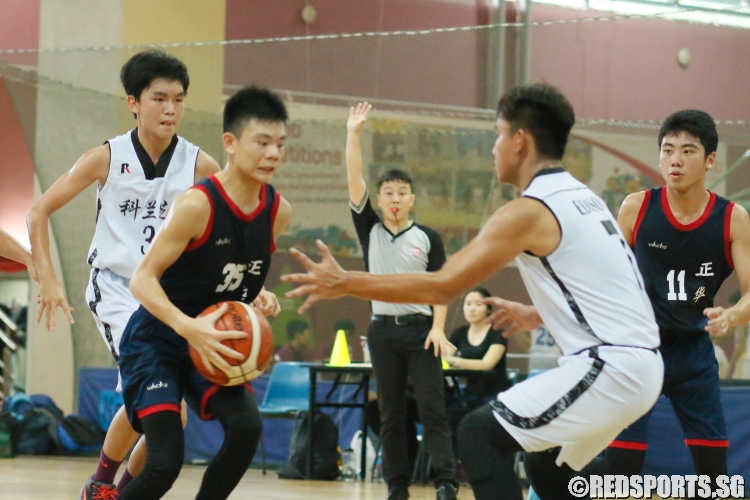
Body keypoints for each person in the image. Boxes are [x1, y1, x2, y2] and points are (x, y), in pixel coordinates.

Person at [281, 83, 664, 500]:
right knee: (545, 460)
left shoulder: (529, 209)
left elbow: (444, 285)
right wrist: (538, 314)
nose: (493, 148)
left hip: (612, 368)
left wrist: (346, 282)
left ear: (520, 141)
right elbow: (612, 287)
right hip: (637, 365)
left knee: (479, 435)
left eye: (498, 135)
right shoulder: (583, 197)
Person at [26, 48, 240, 499]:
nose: (170, 109)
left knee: (168, 414)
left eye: (179, 100)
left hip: (168, 296)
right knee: (160, 407)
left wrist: (249, 292)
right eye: (159, 98)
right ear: (133, 103)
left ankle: (109, 488)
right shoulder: (105, 157)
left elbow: (231, 234)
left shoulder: (201, 166)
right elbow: (38, 211)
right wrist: (48, 277)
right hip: (118, 290)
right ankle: (104, 484)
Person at [117, 85, 291, 500]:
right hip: (157, 341)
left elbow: (223, 271)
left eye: (280, 144)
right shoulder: (198, 204)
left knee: (247, 427)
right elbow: (143, 280)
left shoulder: (277, 210)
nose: (273, 154)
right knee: (164, 464)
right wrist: (188, 328)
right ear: (230, 143)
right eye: (262, 143)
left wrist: (254, 295)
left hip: (210, 341)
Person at [602, 110, 750, 484]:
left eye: (688, 151)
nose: (676, 160)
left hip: (693, 353)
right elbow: (606, 278)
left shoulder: (733, 217)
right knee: (621, 471)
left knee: (714, 476)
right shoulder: (636, 208)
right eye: (668, 150)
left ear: (711, 160)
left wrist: (731, 317)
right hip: (638, 349)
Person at [341, 103, 457, 500]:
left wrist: (439, 329)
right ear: (379, 197)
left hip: (421, 331)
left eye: (402, 193)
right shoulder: (369, 229)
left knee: (433, 410)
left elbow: (441, 287)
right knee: (391, 415)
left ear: (412, 199)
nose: (394, 198)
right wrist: (353, 133)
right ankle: (397, 487)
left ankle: (445, 482)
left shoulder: (428, 237)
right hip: (382, 332)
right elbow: (353, 176)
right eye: (388, 192)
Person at [444, 287, 510, 406]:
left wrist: (454, 361)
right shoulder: (459, 333)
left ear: (488, 309)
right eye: (468, 304)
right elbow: (444, 359)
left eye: (478, 305)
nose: (472, 309)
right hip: (469, 394)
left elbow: (485, 365)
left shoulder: (498, 334)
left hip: (495, 396)